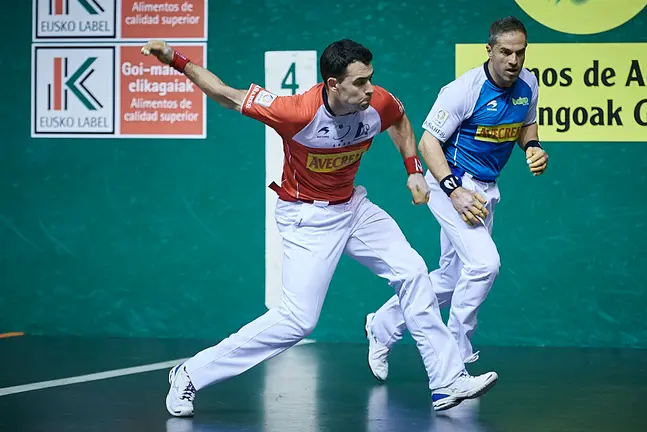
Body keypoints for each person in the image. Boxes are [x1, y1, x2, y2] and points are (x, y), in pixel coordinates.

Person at [140, 38, 498, 416]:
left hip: (353, 208)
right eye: (359, 82)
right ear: (333, 84)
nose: (370, 89)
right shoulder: (295, 112)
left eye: (371, 78)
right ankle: (190, 373)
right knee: (298, 321)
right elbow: (226, 95)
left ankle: (447, 380)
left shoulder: (376, 103)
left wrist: (413, 170)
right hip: (306, 218)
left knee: (412, 272)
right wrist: (175, 59)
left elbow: (399, 120)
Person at [364, 16, 549, 380]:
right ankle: (455, 351)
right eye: (505, 52)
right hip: (450, 183)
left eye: (520, 52)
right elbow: (428, 143)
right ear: (489, 50)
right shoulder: (463, 90)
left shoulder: (528, 83)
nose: (513, 60)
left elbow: (526, 123)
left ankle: (381, 326)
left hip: (486, 187)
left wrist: (533, 146)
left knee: (451, 279)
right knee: (484, 265)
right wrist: (455, 191)